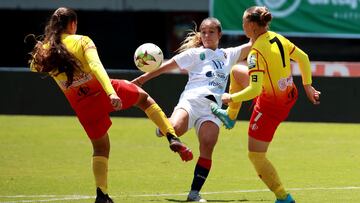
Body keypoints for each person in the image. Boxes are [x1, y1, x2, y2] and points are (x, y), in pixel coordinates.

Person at [27, 7, 193, 203]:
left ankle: (102, 195)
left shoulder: (45, 50)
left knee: (100, 148)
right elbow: (97, 66)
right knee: (144, 99)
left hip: (82, 105)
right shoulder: (82, 41)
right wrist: (111, 93)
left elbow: (33, 67)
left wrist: (41, 49)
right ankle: (172, 136)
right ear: (73, 24)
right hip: (102, 91)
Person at [132, 17, 251, 202]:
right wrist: (140, 80)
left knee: (208, 144)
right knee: (175, 129)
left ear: (219, 34)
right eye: (203, 31)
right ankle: (165, 127)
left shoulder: (229, 54)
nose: (207, 35)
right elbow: (165, 66)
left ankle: (194, 193)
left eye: (211, 32)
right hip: (191, 103)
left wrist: (263, 27)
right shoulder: (194, 54)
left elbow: (254, 43)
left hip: (212, 110)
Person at [211, 6, 321, 203]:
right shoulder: (276, 37)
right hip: (289, 93)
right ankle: (230, 116)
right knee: (237, 71)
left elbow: (254, 90)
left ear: (252, 26)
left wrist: (230, 98)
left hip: (271, 106)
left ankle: (283, 197)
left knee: (255, 155)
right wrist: (308, 87)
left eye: (244, 22)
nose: (242, 25)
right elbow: (303, 58)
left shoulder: (256, 54)